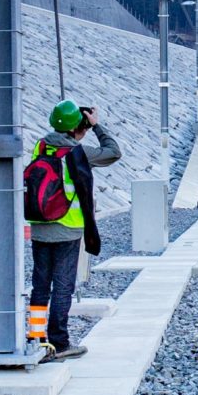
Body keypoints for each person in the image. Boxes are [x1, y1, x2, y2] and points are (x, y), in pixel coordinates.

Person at [23, 99, 117, 360]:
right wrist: (96, 126)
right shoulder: (78, 152)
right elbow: (113, 151)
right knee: (63, 286)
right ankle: (60, 342)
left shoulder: (40, 147)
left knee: (40, 284)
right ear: (78, 125)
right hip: (68, 228)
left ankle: (37, 338)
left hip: (40, 226)